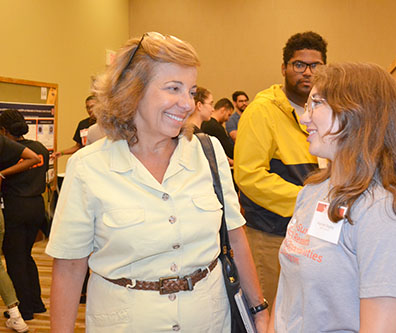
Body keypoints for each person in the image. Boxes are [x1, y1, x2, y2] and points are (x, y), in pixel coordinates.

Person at [46, 32, 268, 332]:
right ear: (132, 91)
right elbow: (70, 268)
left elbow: (235, 236)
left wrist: (259, 310)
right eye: (173, 88)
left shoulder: (208, 153)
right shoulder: (88, 168)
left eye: (191, 91)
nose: (187, 104)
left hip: (209, 320)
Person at [269, 62, 396, 332]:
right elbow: (288, 289)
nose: (304, 118)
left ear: (359, 113)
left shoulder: (389, 212)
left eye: (317, 104)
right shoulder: (312, 192)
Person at [234, 31, 327, 304]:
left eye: (315, 66)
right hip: (271, 234)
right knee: (271, 312)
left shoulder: (324, 110)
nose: (307, 72)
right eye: (299, 65)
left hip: (311, 232)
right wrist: (307, 200)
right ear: (284, 68)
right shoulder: (262, 111)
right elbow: (249, 176)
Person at [0, 110, 49, 323]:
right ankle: (36, 303)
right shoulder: (40, 148)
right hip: (37, 206)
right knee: (26, 257)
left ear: (3, 130)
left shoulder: (9, 152)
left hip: (15, 207)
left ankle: (24, 309)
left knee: (15, 261)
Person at [201, 98, 234, 162]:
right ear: (223, 110)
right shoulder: (216, 127)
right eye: (228, 115)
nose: (228, 119)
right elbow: (228, 149)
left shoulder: (204, 123)